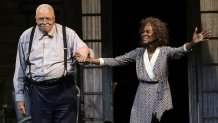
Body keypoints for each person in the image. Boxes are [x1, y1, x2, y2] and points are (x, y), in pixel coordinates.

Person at [75, 16, 211, 123]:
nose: (144, 34)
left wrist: (192, 42)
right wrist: (92, 60)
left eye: (148, 32)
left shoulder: (165, 51)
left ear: (156, 34)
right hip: (142, 94)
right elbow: (116, 60)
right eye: (143, 32)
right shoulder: (138, 53)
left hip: (160, 93)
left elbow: (180, 51)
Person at [13, 4, 91, 123]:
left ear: (54, 18)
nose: (45, 22)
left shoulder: (67, 33)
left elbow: (84, 50)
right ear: (36, 19)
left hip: (64, 89)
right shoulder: (26, 37)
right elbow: (20, 70)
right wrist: (19, 98)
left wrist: (84, 52)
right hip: (38, 92)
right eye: (41, 19)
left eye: (48, 18)